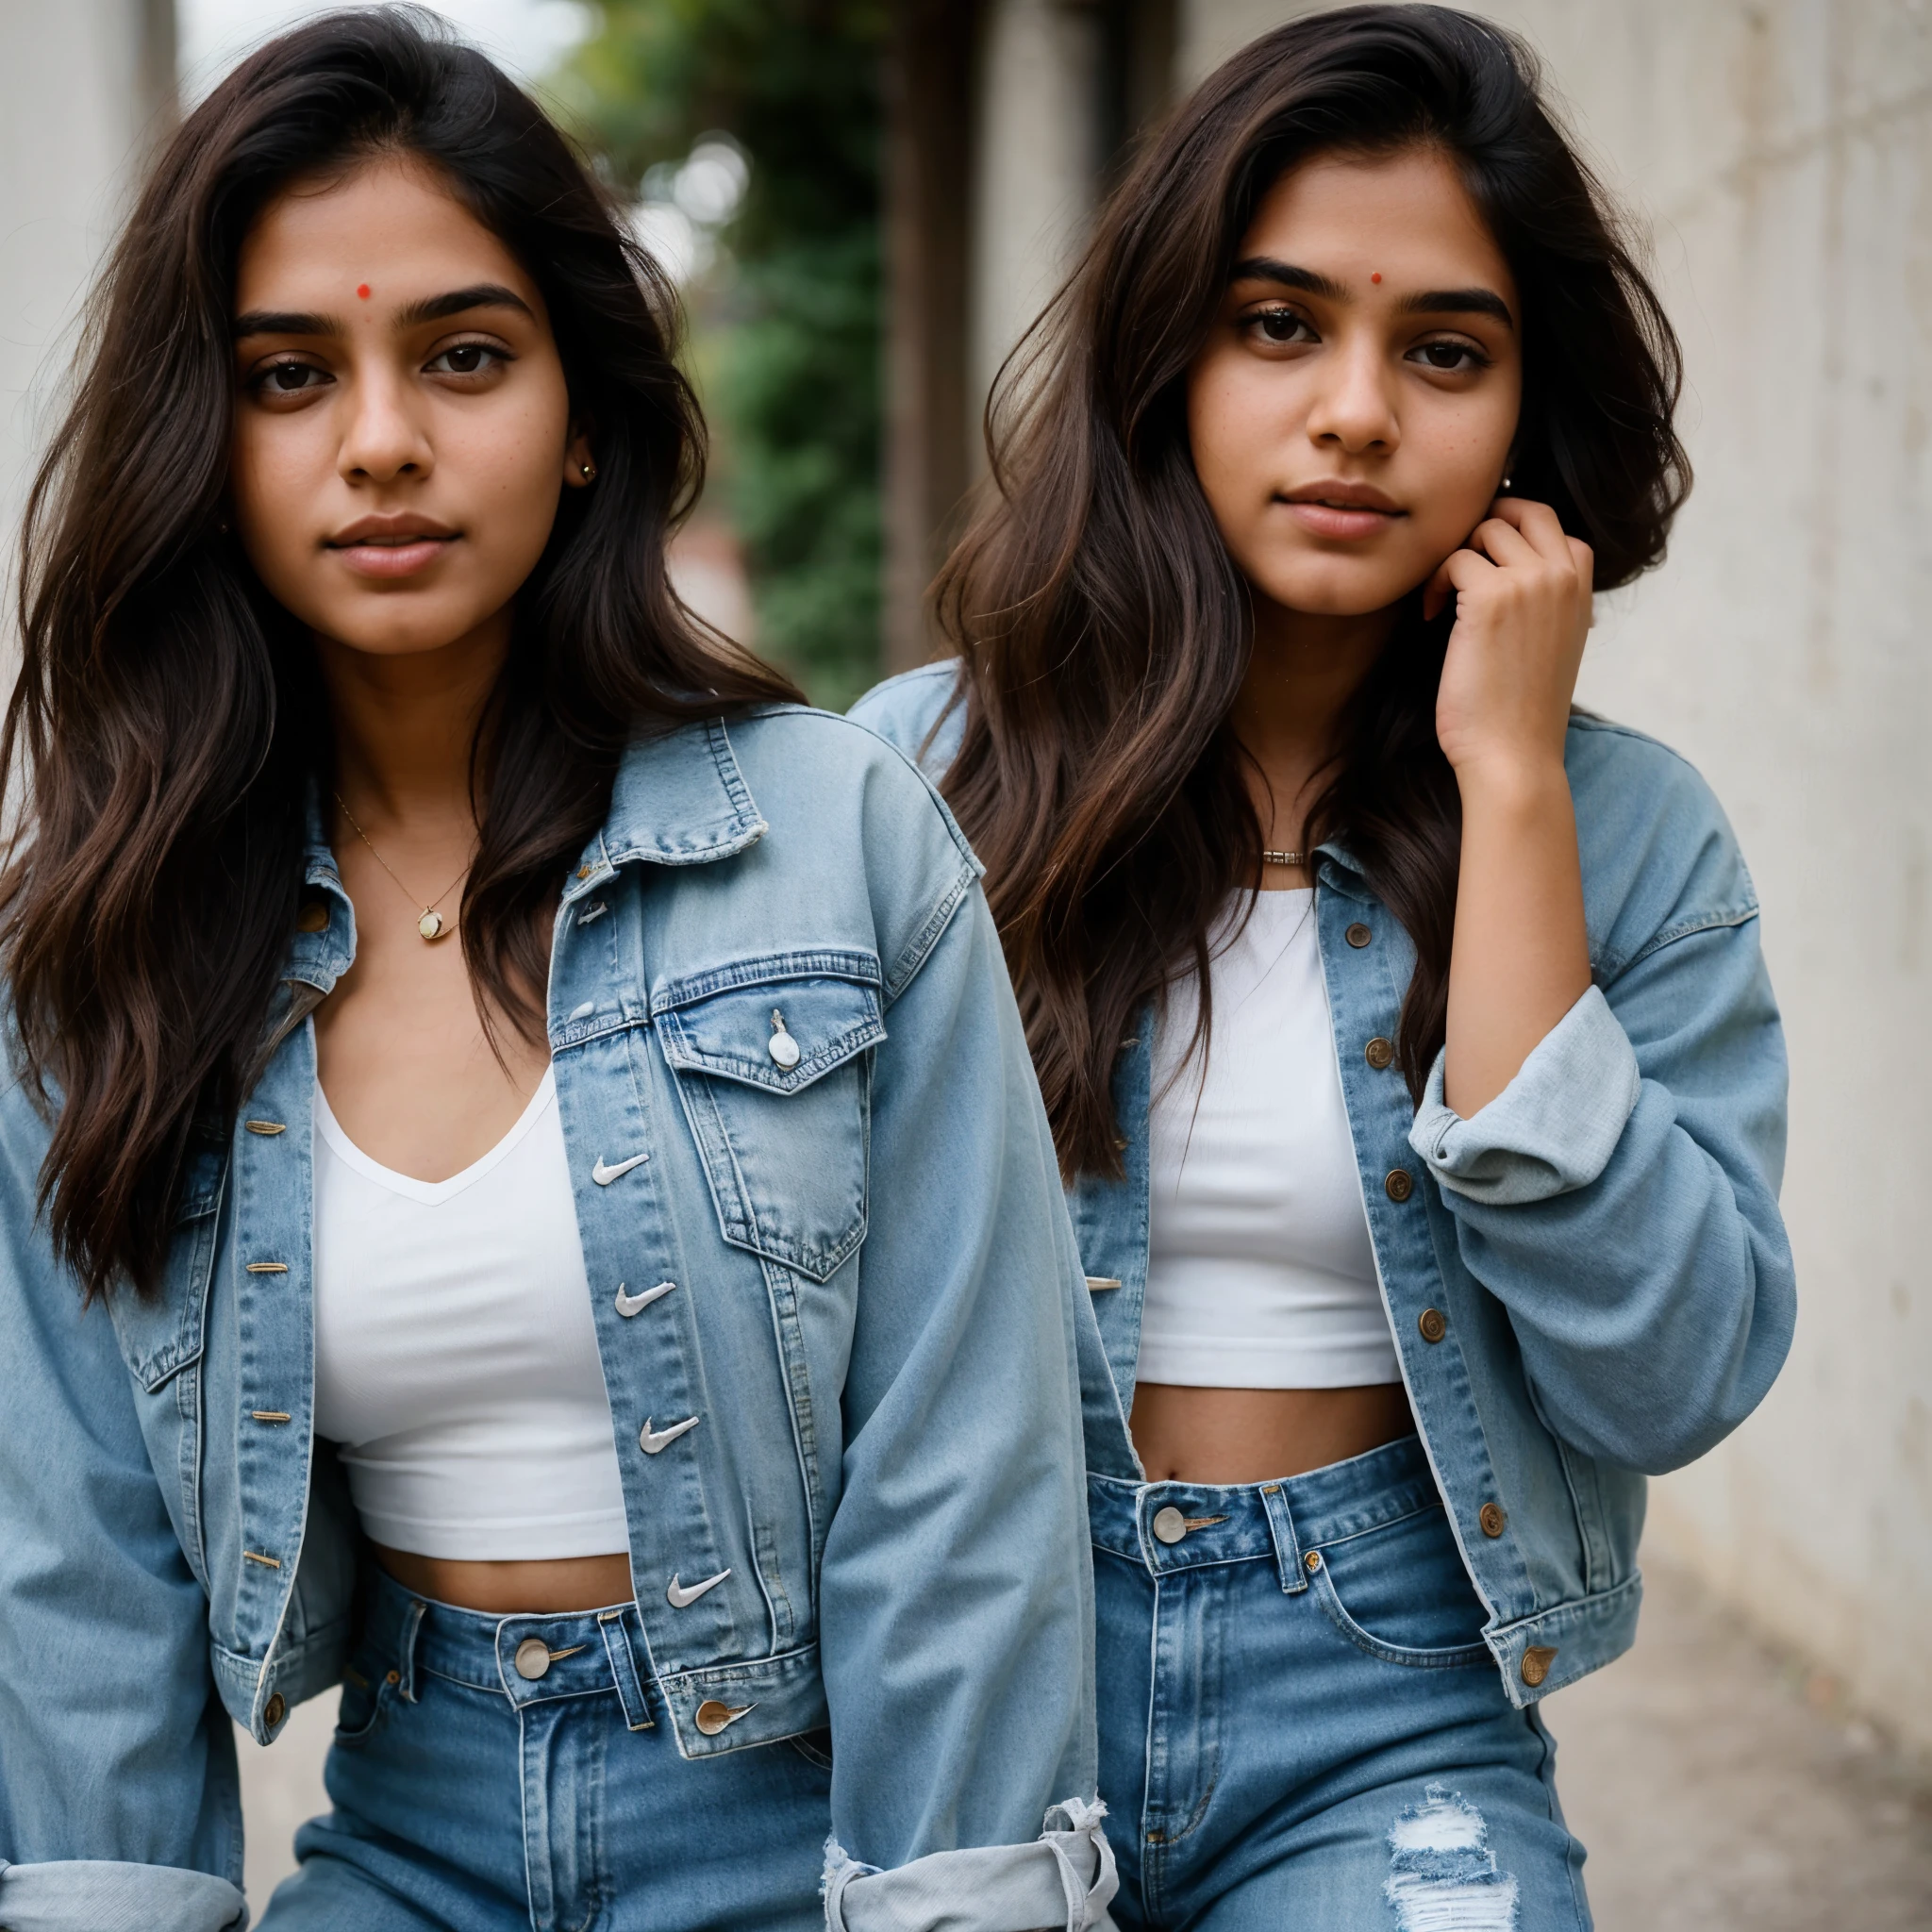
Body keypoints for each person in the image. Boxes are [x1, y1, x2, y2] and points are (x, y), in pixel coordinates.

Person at [0, 13, 1114, 1931]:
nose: (381, 442)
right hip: (407, 1842)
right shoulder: (104, 940)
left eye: (463, 356)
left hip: (810, 1835)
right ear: (207, 435)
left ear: (583, 411)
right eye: (288, 374)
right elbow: (76, 1567)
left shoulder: (831, 842)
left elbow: (966, 1490)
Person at [854, 7, 1795, 1924]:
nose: (1356, 410)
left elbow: (1670, 1376)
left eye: (1440, 350)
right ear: (1170, 361)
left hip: (1384, 1700)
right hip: (964, 1682)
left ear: (1523, 415)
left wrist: (1509, 789)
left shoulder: (1626, 831)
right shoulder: (913, 782)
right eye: (1279, 326)